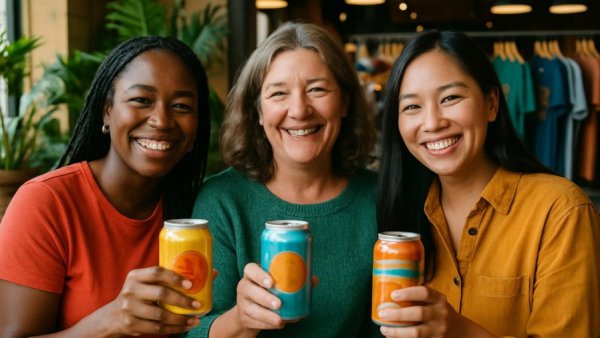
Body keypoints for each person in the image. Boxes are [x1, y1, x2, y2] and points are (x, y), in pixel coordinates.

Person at [376, 30, 600, 337]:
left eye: (451, 98)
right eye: (412, 106)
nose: (432, 123)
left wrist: (459, 332)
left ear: (491, 104)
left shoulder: (560, 211)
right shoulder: (402, 212)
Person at [0, 36, 211, 337]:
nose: (162, 120)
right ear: (106, 111)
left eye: (181, 106)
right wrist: (108, 323)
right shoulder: (47, 203)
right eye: (141, 100)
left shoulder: (198, 210)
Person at [186, 22, 380, 338]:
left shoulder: (379, 197)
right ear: (258, 112)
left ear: (344, 102)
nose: (299, 110)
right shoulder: (222, 201)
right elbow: (191, 331)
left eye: (317, 89)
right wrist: (240, 320)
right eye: (278, 93)